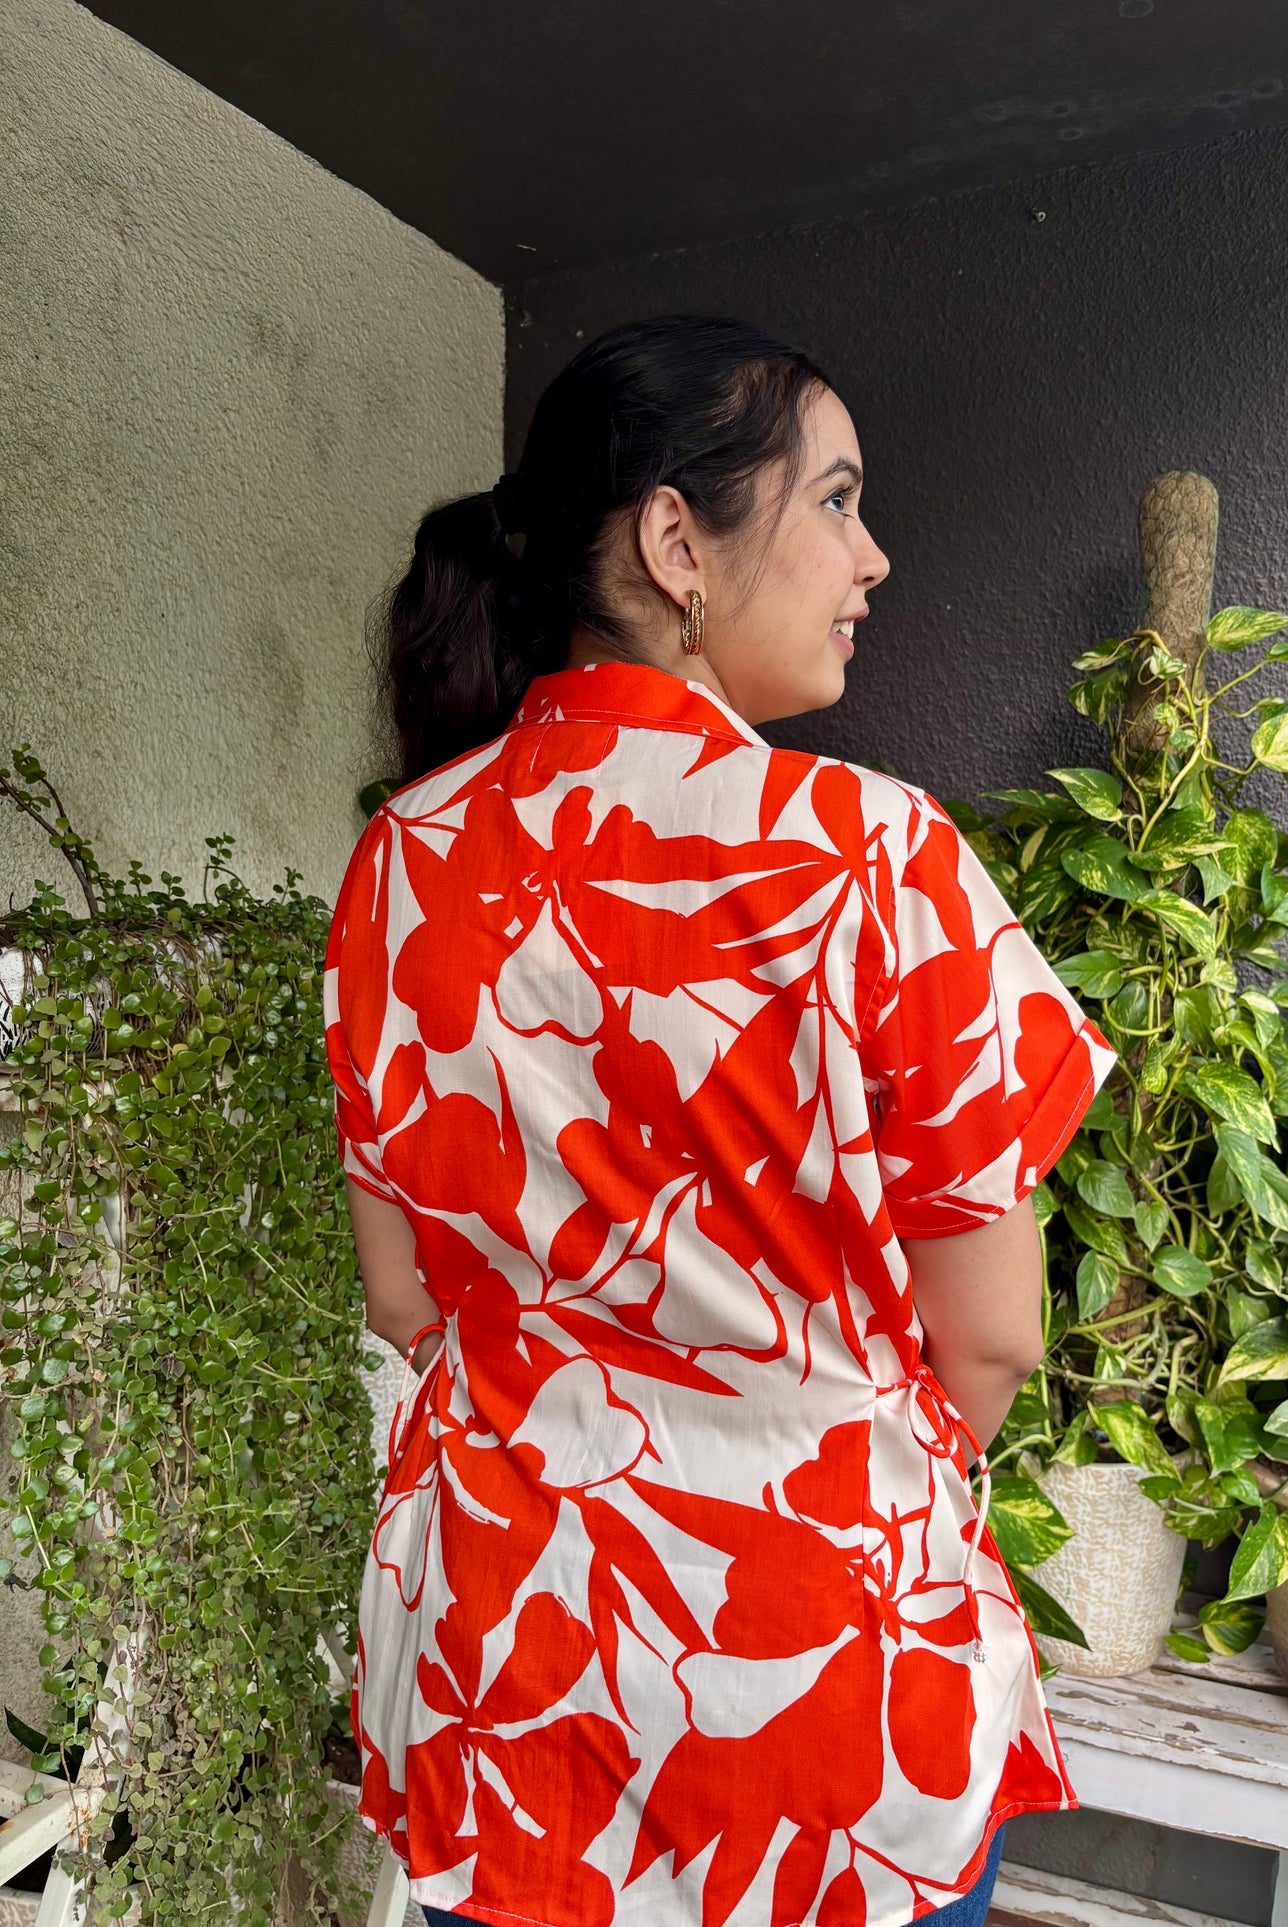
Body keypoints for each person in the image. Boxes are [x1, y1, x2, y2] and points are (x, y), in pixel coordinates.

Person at [325, 314, 1115, 1927]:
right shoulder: (872, 856)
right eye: (833, 499)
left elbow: (405, 1300)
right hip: (808, 1705)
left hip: (505, 1675)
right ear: (675, 539)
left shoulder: (397, 863)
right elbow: (989, 1343)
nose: (872, 555)